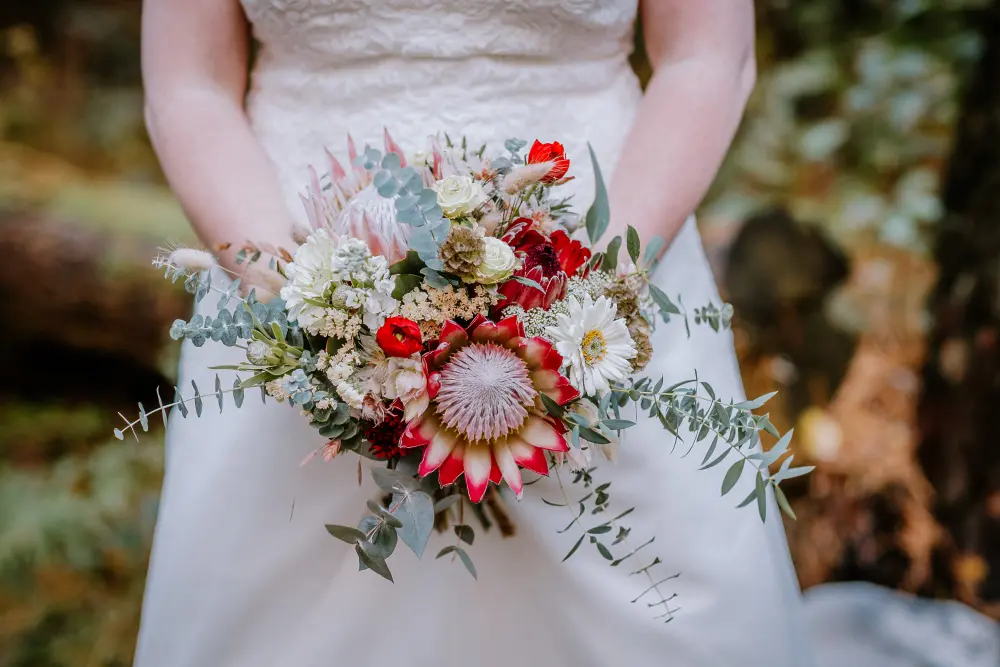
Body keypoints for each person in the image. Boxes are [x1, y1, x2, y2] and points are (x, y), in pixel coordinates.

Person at [135, 1, 811, 665]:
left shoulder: (601, 286)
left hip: (603, 264)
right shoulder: (301, 304)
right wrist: (302, 301)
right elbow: (189, 83)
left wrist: (597, 291)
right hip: (291, 267)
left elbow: (706, 56)